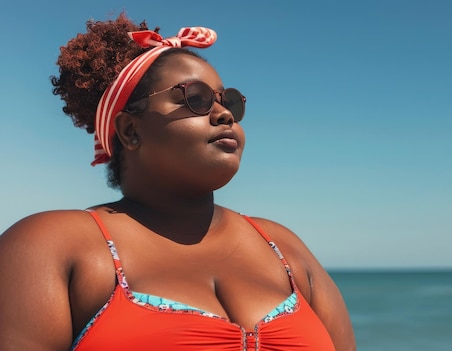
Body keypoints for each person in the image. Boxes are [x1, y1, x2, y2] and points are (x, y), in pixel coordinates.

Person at [0, 13, 356, 351]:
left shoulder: (284, 247)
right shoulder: (53, 245)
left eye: (229, 101)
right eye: (195, 99)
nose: (225, 113)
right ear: (130, 130)